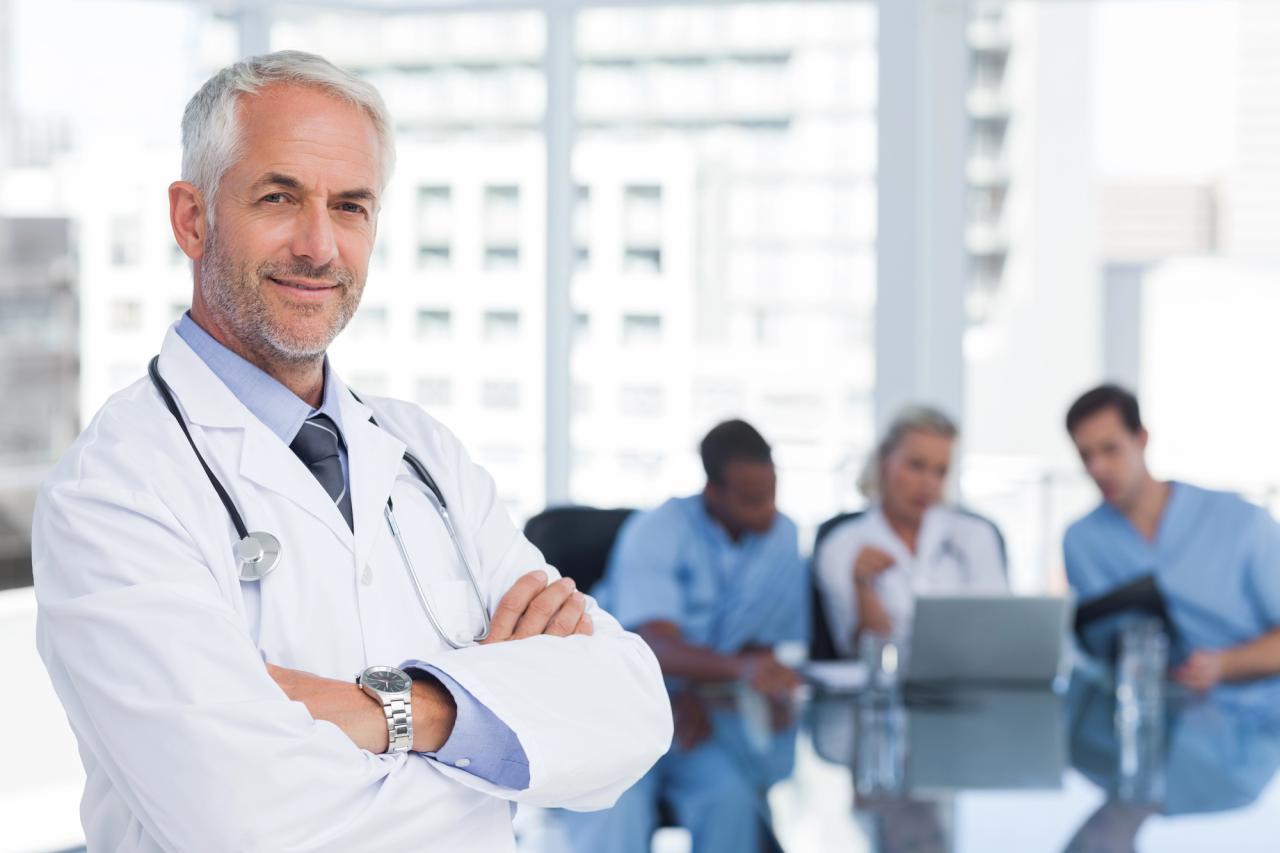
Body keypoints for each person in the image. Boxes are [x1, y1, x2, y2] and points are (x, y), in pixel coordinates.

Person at [31, 51, 671, 853]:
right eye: (279, 197)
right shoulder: (114, 490)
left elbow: (633, 708)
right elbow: (245, 821)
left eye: (350, 206)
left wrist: (400, 710)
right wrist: (495, 723)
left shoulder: (423, 454)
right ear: (192, 218)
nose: (319, 245)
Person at [559, 419, 808, 853]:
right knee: (615, 806)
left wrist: (728, 684)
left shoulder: (782, 537)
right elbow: (653, 647)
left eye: (771, 494)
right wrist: (734, 671)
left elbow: (762, 644)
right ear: (713, 493)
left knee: (731, 797)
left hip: (698, 715)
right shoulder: (657, 530)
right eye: (751, 499)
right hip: (619, 708)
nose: (766, 510)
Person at [1063, 384, 1280, 696]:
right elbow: (1098, 649)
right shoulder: (1081, 541)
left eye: (1110, 449)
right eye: (1086, 456)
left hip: (1258, 713)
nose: (1098, 468)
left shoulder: (1243, 521)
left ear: (1141, 439)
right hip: (1152, 710)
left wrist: (1224, 665)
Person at [815, 405, 1007, 655]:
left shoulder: (977, 534)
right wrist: (863, 587)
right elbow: (861, 654)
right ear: (884, 461)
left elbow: (995, 631)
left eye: (940, 471)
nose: (928, 484)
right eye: (916, 466)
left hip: (965, 677)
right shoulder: (842, 544)